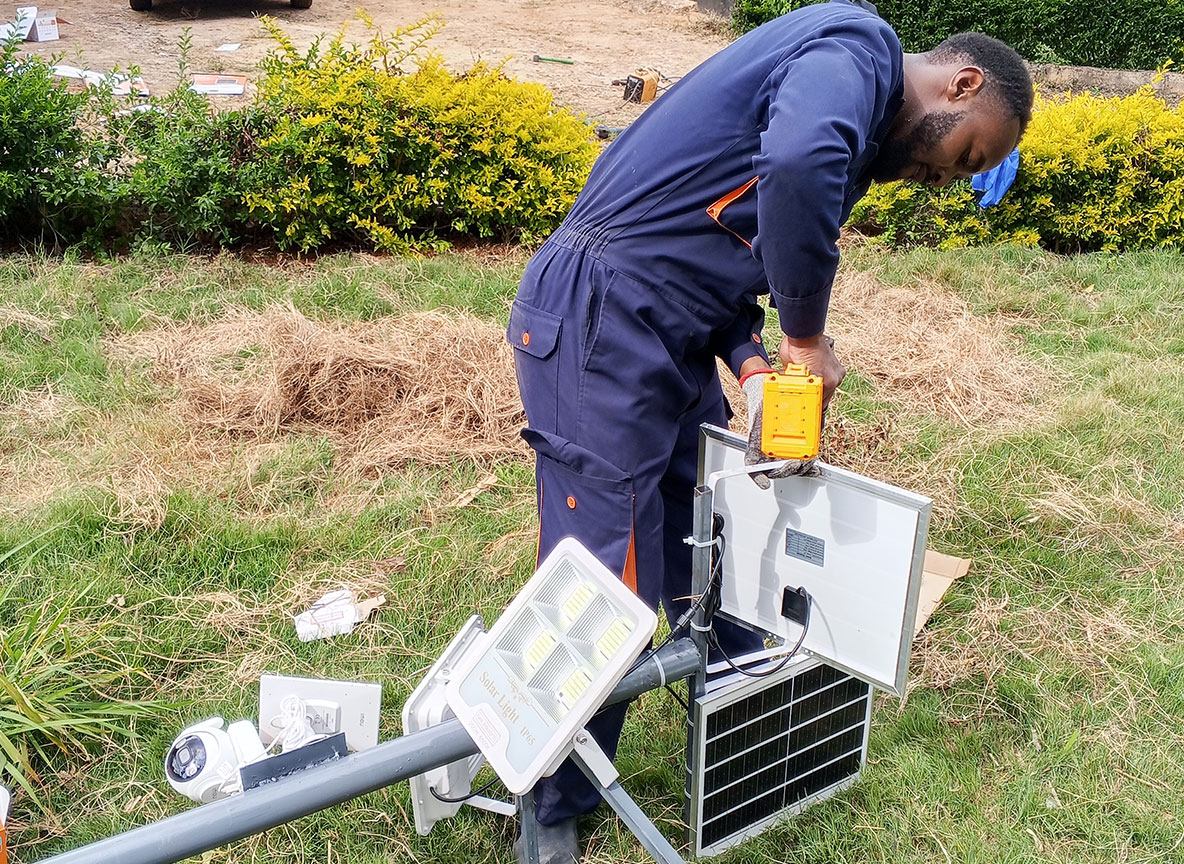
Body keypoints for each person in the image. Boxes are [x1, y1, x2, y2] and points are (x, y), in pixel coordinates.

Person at [507, 1, 1033, 861]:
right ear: (962, 84)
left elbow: (713, 249)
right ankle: (550, 800)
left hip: (663, 327)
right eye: (967, 154)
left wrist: (754, 363)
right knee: (611, 576)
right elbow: (794, 163)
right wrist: (807, 339)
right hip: (603, 316)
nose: (946, 180)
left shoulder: (851, 132)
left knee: (708, 536)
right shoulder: (858, 48)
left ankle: (743, 716)